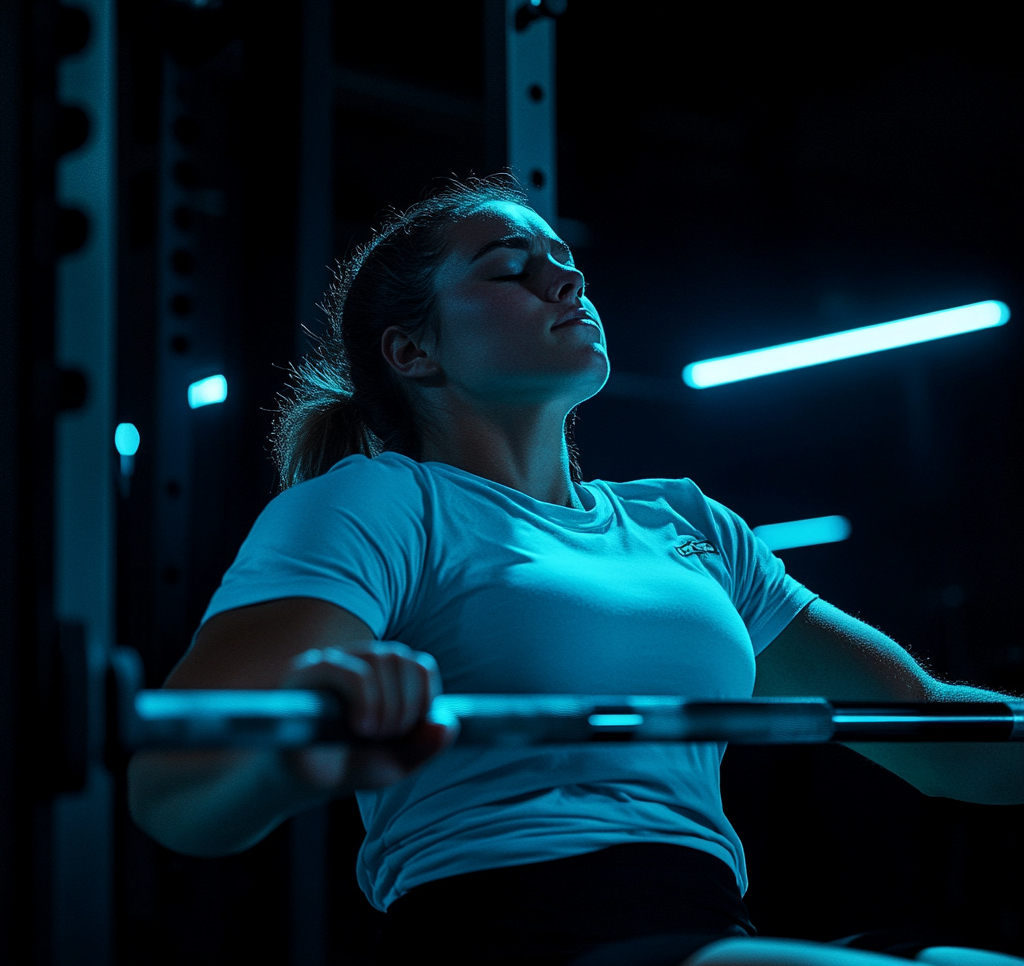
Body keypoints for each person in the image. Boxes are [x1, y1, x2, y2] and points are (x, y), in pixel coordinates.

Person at [128, 175, 1024, 966]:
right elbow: (174, 791)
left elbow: (941, 738)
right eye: (510, 267)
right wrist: (292, 763)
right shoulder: (380, 501)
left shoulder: (684, 520)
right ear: (415, 352)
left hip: (702, 925)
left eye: (564, 258)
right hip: (507, 931)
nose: (568, 277)